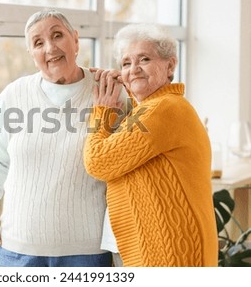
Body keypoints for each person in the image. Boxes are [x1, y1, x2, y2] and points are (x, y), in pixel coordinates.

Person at [0, 9, 117, 267]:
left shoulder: (108, 91)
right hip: (17, 251)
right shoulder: (14, 94)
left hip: (86, 253)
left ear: (75, 40)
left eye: (57, 35)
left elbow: (132, 157)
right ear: (31, 54)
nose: (50, 47)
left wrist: (127, 81)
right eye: (38, 43)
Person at [83, 23, 218, 266]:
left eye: (144, 59)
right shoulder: (159, 107)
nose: (134, 69)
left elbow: (98, 162)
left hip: (170, 255)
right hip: (163, 249)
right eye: (126, 63)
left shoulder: (165, 109)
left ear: (170, 65)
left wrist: (103, 110)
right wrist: (129, 85)